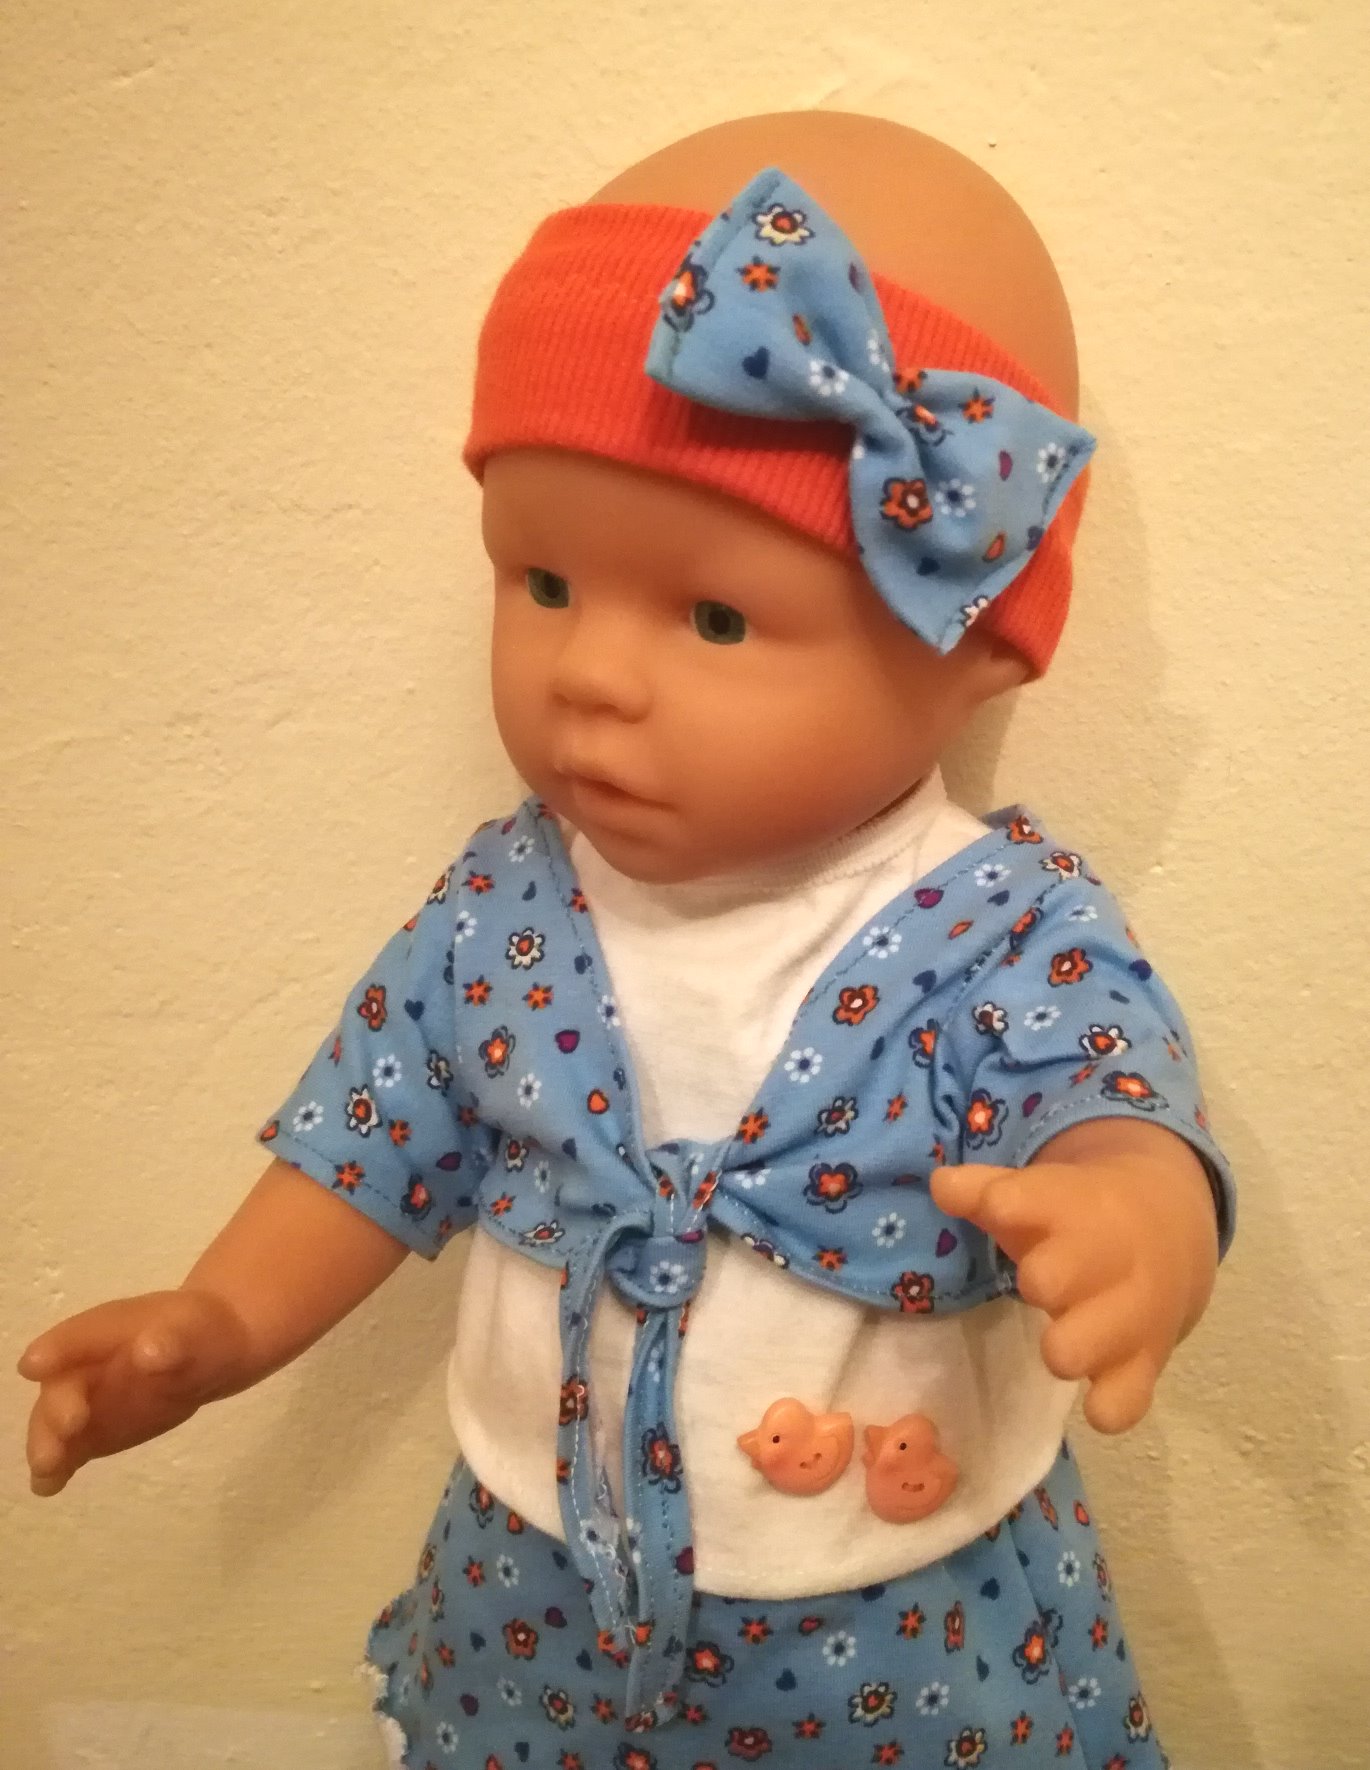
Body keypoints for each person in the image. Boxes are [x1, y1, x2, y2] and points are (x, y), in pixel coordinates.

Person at [20, 110, 1232, 1768]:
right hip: (536, 1590)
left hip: (906, 1625)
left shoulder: (1002, 930)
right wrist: (220, 1321)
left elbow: (1107, 1098)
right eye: (541, 582)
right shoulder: (506, 910)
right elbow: (372, 1138)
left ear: (975, 645)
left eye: (715, 615)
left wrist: (1134, 1215)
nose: (589, 673)